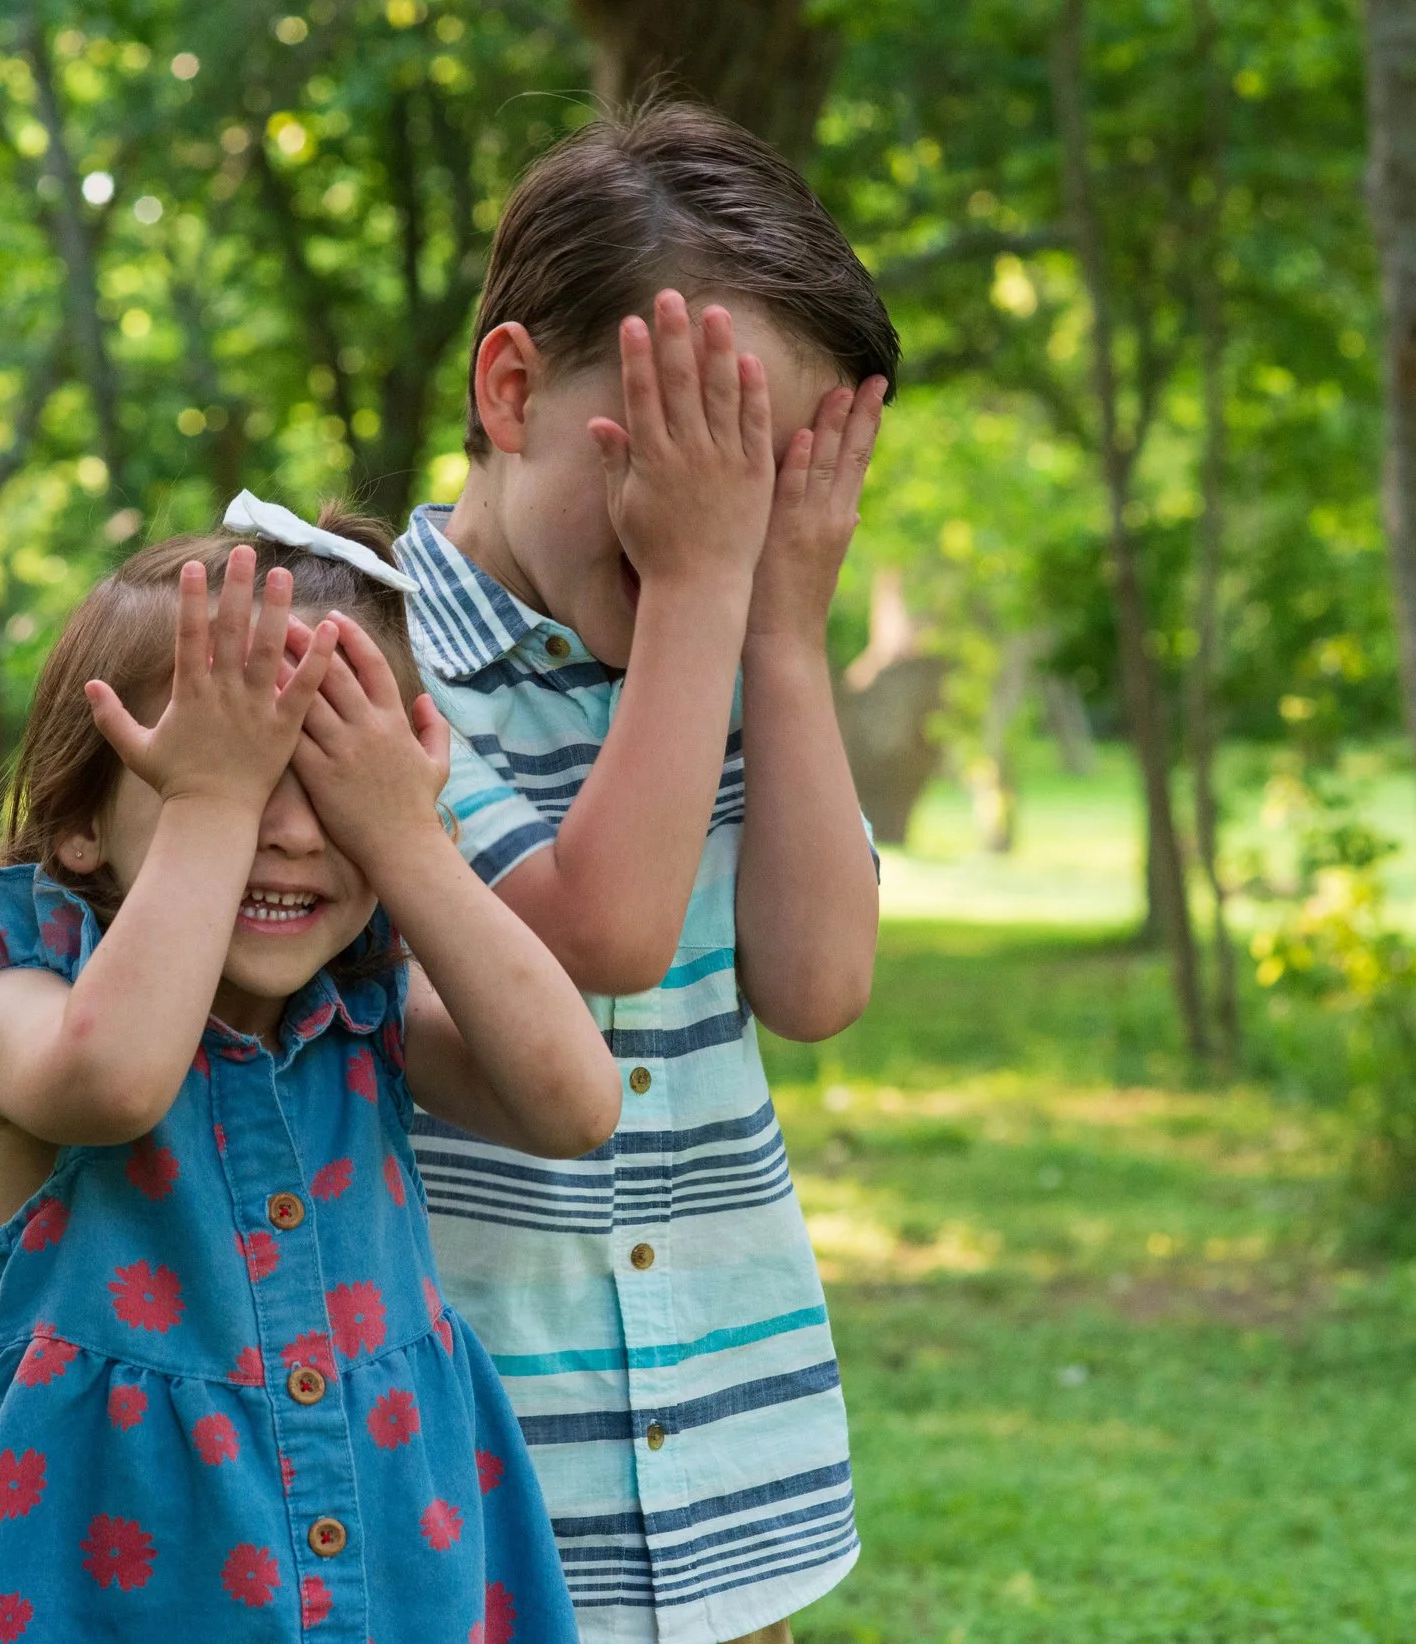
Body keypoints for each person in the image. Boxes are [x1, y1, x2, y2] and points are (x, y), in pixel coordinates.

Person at [0, 514, 620, 1640]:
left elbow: (575, 1107)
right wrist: (210, 810)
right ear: (78, 824)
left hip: (395, 1565)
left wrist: (410, 843)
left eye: (326, 777)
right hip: (114, 1585)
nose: (291, 832)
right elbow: (114, 1083)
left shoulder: (363, 1013)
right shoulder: (14, 1002)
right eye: (225, 779)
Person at [393, 104, 897, 1642]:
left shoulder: (739, 662)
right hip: (476, 1481)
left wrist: (783, 638)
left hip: (733, 1473)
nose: (720, 518)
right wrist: (697, 591)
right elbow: (591, 935)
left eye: (764, 478)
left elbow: (815, 985)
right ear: (512, 387)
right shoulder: (361, 662)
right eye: (687, 448)